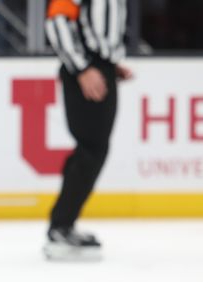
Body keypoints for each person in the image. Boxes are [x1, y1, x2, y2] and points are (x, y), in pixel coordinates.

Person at [44, 0, 132, 260]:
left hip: (98, 66)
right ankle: (60, 226)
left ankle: (64, 224)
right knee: (91, 148)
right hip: (87, 68)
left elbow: (95, 27)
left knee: (94, 148)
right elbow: (57, 20)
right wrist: (83, 67)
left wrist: (109, 63)